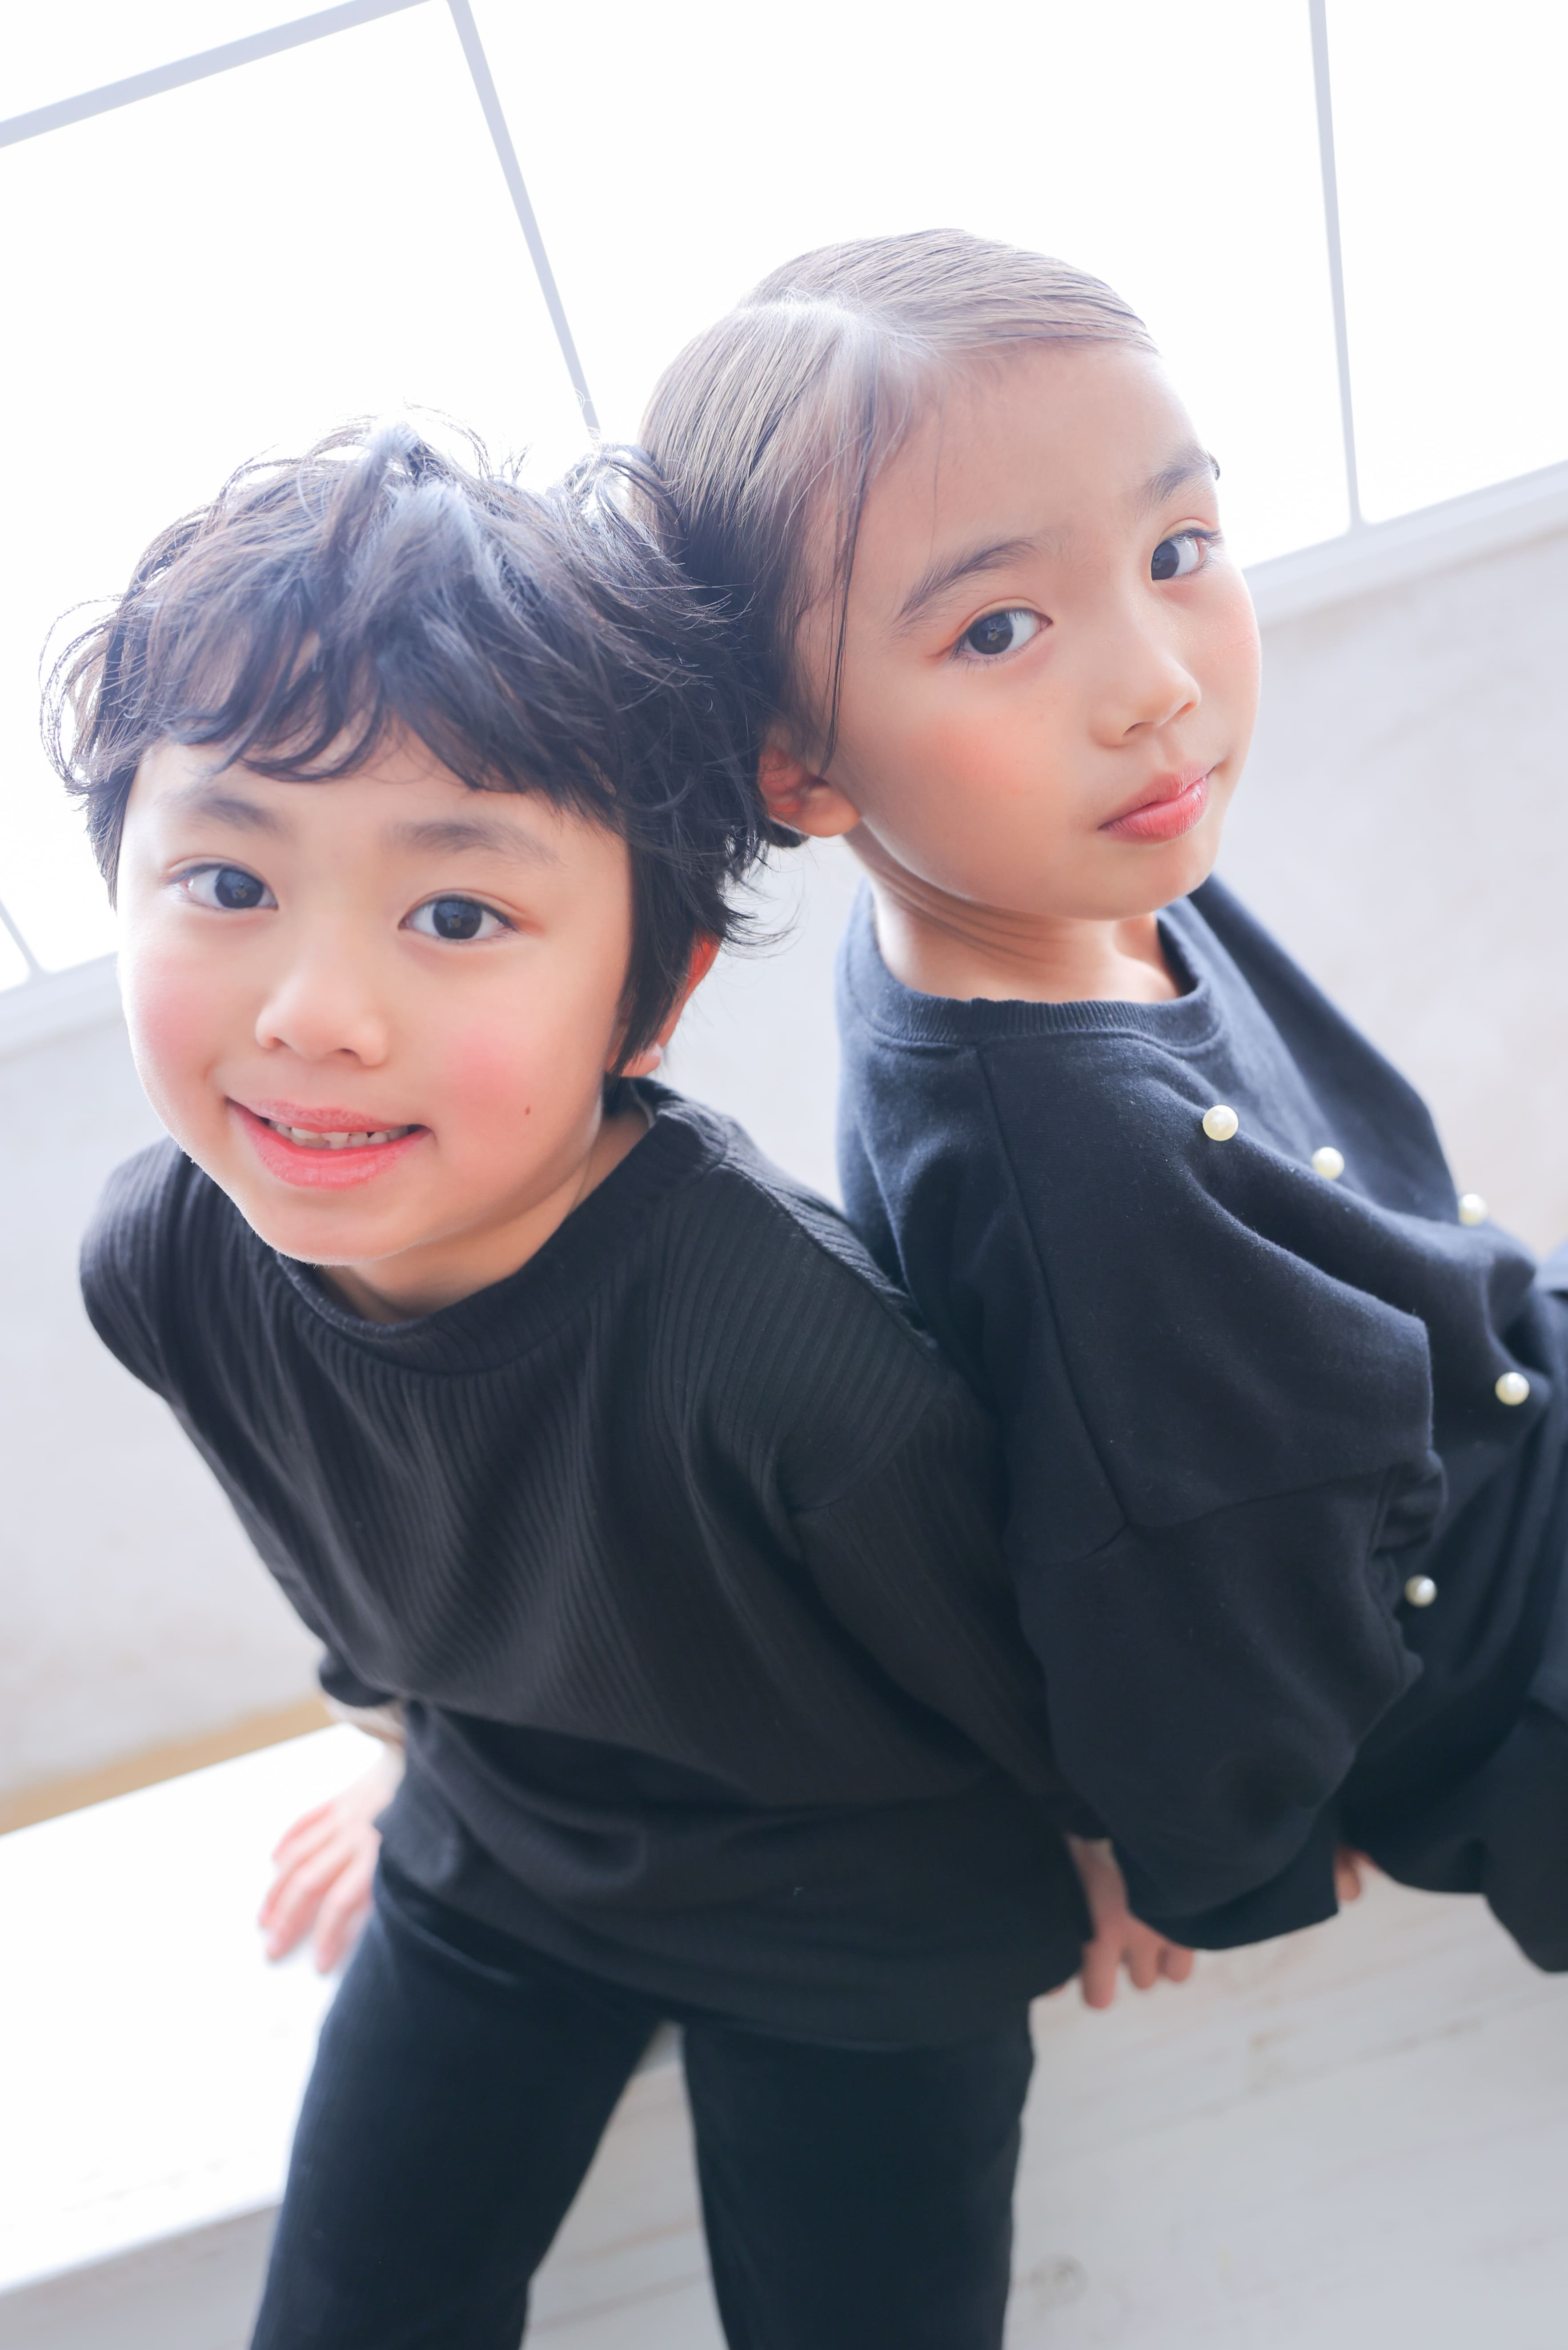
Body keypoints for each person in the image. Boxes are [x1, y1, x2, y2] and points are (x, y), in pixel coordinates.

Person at [56, 421, 1187, 2350]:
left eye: (456, 916)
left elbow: (987, 1630)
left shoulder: (781, 1342)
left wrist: (1119, 1828)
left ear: (647, 1001)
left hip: (861, 1904)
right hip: (505, 1842)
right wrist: (395, 1732)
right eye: (227, 879)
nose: (314, 1011)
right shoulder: (163, 1258)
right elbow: (333, 1535)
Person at [638, 229, 1568, 1964]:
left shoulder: (1049, 868)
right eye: (999, 628)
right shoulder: (1098, 1182)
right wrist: (1220, 1856)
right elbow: (1175, 1582)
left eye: (1178, 549)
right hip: (1514, 1667)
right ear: (797, 762)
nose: (1156, 680)